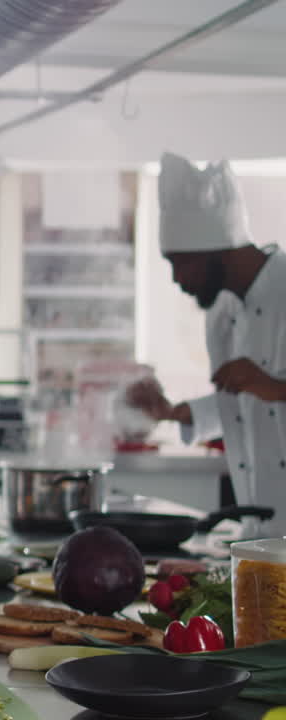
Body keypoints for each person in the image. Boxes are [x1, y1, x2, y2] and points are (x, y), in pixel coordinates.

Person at [127, 152, 286, 537]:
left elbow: (264, 393)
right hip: (258, 527)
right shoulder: (221, 313)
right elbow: (243, 404)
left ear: (218, 251)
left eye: (180, 262)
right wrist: (173, 413)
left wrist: (274, 386)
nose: (177, 278)